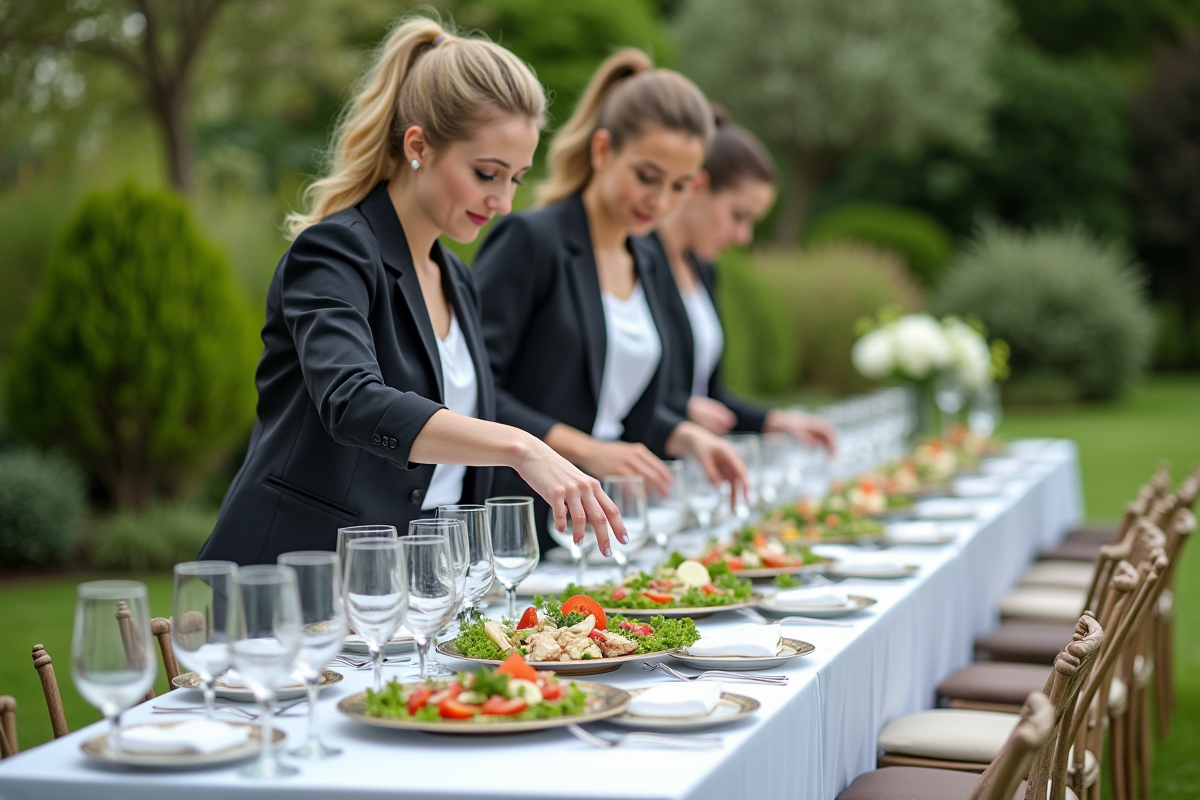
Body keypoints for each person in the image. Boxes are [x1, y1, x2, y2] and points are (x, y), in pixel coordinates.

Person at [199, 16, 625, 565]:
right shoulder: (334, 251)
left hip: (419, 592)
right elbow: (352, 401)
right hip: (295, 586)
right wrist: (521, 447)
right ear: (418, 145)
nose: (503, 202)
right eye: (486, 173)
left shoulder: (457, 279)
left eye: (515, 178)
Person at [473, 49, 748, 555]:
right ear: (603, 151)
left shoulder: (648, 257)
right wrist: (585, 450)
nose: (660, 202)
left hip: (607, 521)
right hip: (518, 526)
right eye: (647, 177)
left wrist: (685, 435)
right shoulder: (531, 240)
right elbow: (474, 389)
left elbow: (622, 408)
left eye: (680, 186)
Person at [648, 109, 836, 451]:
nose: (743, 236)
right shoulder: (638, 259)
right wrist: (683, 409)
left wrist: (775, 421)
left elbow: (708, 397)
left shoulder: (703, 269)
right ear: (697, 187)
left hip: (688, 471)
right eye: (739, 216)